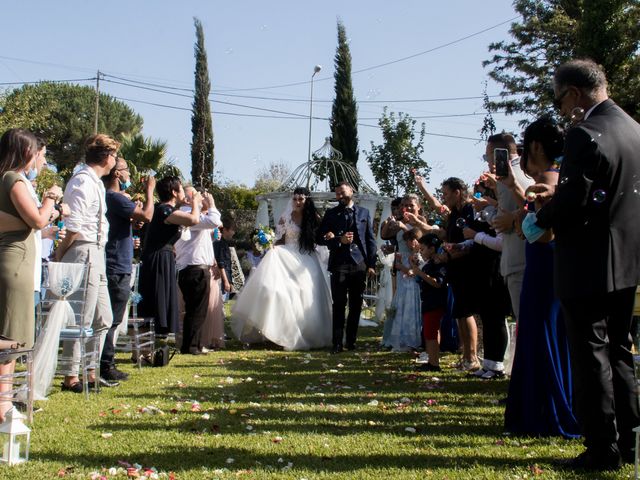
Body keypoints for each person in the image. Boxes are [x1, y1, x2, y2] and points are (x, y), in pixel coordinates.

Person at [531, 59, 640, 470]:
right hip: (627, 260)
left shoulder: (585, 134)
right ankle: (629, 443)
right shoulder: (634, 130)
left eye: (559, 100)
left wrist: (539, 215)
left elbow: (574, 201)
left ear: (574, 94)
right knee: (620, 352)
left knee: (590, 356)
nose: (560, 109)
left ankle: (600, 450)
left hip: (587, 262)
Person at [504, 117, 580, 439]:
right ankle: (554, 407)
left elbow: (543, 234)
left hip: (544, 264)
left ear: (535, 146)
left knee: (540, 335)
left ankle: (543, 413)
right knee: (552, 334)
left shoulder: (545, 183)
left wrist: (521, 222)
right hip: (552, 266)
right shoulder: (564, 179)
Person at [0, 128, 63, 418]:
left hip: (20, 261)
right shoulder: (13, 179)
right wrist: (50, 198)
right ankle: (3, 403)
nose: (42, 161)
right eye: (40, 155)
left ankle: (6, 400)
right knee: (10, 335)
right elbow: (36, 219)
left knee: (14, 333)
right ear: (26, 152)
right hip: (16, 263)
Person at [55, 134, 119, 392]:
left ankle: (90, 370)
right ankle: (71, 375)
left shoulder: (97, 183)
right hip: (83, 250)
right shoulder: (81, 181)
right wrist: (60, 255)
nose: (115, 161)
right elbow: (74, 226)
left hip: (97, 250)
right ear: (106, 157)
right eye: (114, 156)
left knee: (103, 316)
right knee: (81, 314)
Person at [231, 187, 332, 350]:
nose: (297, 202)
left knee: (303, 294)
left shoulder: (314, 218)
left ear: (307, 200)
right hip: (284, 256)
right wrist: (267, 243)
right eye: (295, 199)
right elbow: (280, 240)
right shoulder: (286, 217)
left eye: (301, 199)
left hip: (306, 259)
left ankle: (303, 333)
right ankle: (274, 332)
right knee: (275, 291)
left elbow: (320, 238)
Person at [102, 156, 155, 381]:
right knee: (112, 318)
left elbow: (133, 220)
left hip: (120, 260)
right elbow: (147, 215)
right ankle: (106, 364)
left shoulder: (114, 199)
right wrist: (150, 190)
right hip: (115, 264)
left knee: (114, 317)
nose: (129, 176)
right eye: (126, 171)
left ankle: (106, 362)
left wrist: (132, 225)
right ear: (116, 174)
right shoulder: (113, 197)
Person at [317, 182, 377, 353]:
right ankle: (337, 343)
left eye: (342, 192)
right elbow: (319, 238)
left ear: (352, 191)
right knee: (339, 304)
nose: (339, 196)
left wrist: (371, 264)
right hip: (339, 264)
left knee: (356, 303)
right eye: (337, 194)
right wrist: (337, 240)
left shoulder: (364, 212)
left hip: (359, 264)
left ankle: (351, 341)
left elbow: (370, 240)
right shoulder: (331, 213)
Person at [137, 176, 202, 337]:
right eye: (181, 189)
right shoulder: (164, 210)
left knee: (161, 297)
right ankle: (145, 346)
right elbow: (194, 219)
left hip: (164, 257)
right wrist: (195, 201)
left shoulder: (168, 210)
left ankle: (154, 341)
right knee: (154, 299)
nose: (183, 193)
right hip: (157, 258)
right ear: (174, 192)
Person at [175, 187, 221, 355]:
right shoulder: (188, 215)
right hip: (195, 268)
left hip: (192, 267)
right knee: (197, 310)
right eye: (196, 195)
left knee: (196, 309)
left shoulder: (190, 215)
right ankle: (191, 346)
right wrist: (213, 205)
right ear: (189, 199)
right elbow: (214, 221)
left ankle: (194, 343)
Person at [410, 233, 448, 371]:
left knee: (431, 332)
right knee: (430, 332)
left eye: (423, 249)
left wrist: (420, 273)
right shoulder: (429, 263)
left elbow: (438, 283)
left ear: (432, 248)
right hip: (428, 301)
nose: (421, 252)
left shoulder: (438, 263)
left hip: (435, 302)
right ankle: (432, 360)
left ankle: (434, 363)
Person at [213, 222, 236, 300]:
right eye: (232, 230)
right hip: (220, 280)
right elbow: (220, 263)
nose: (234, 232)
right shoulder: (219, 242)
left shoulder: (224, 243)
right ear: (225, 230)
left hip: (225, 279)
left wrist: (230, 282)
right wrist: (226, 281)